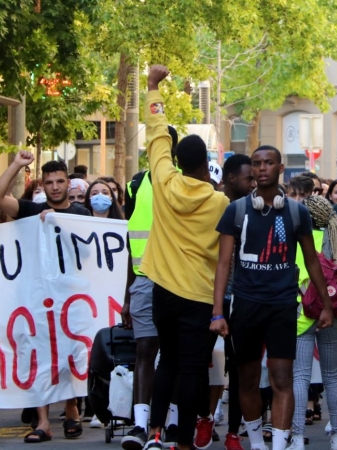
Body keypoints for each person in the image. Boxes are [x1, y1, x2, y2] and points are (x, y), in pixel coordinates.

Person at [211, 144, 334, 450]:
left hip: (282, 306)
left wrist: (327, 306)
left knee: (282, 378)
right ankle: (256, 443)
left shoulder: (296, 212)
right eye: (256, 163)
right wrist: (217, 312)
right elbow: (223, 263)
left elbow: (312, 260)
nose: (262, 167)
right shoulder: (236, 210)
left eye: (268, 162)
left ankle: (279, 445)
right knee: (248, 379)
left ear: (281, 168)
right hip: (245, 305)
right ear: (251, 170)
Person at [137, 65, 230, 450]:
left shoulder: (163, 181)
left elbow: (157, 133)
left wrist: (153, 87)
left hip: (163, 293)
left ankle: (155, 433)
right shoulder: (220, 202)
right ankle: (186, 441)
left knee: (167, 362)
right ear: (204, 162)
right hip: (199, 298)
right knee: (193, 370)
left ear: (177, 159)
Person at [0, 152, 91, 443]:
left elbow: (88, 253)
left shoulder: (81, 214)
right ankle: (43, 422)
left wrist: (61, 224)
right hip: (36, 299)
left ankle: (72, 408)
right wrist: (17, 165)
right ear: (43, 185)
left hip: (71, 298)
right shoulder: (30, 211)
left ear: (68, 183)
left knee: (71, 355)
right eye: (49, 182)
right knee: (39, 357)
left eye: (60, 181)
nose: (55, 187)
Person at [120, 125, 183, 450]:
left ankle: (171, 422)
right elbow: (131, 241)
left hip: (177, 279)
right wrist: (126, 296)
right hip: (143, 279)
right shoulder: (135, 184)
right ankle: (140, 424)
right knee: (145, 351)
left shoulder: (185, 183)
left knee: (172, 353)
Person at [287, 195, 337, 450]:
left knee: (299, 378)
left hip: (301, 313)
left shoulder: (298, 237)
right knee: (332, 377)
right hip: (332, 312)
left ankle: (296, 437)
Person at [216, 154, 255, 450]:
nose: (253, 183)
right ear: (231, 179)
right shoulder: (214, 207)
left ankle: (233, 432)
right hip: (211, 299)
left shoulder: (257, 209)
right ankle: (202, 419)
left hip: (243, 299)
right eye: (248, 178)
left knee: (241, 367)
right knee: (206, 365)